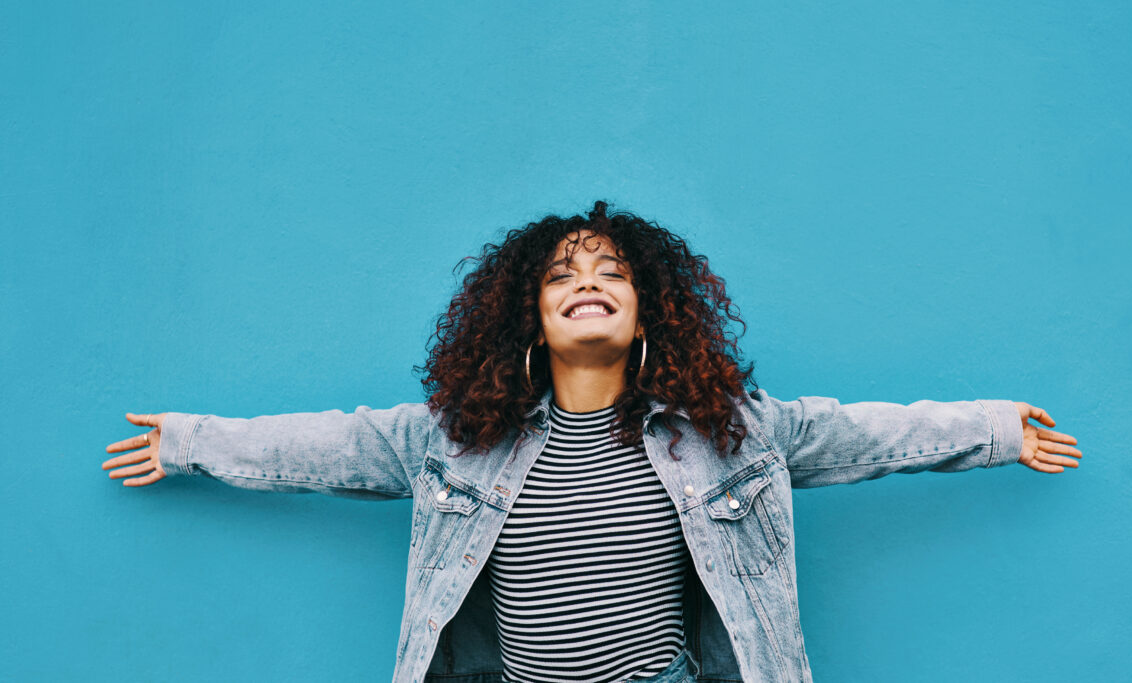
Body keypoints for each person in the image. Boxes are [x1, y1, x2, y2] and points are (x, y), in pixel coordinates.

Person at [102, 201, 1082, 683]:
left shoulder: (727, 428)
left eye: (613, 270)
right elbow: (323, 446)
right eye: (565, 272)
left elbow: (863, 431)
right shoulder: (456, 437)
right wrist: (193, 440)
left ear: (650, 307)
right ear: (529, 318)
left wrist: (993, 427)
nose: (589, 279)